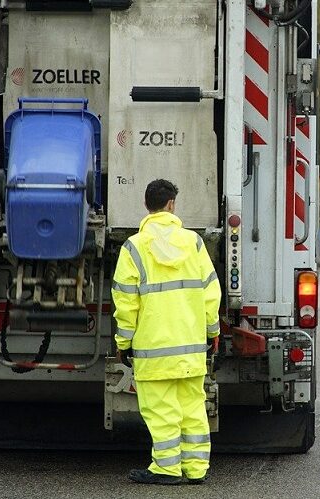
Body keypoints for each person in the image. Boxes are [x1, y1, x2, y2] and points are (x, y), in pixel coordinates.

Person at [111, 179, 222, 485]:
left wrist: (124, 342)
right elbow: (211, 292)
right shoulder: (194, 243)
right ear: (172, 204)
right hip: (190, 348)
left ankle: (166, 468)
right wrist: (212, 331)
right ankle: (196, 469)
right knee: (192, 407)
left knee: (161, 412)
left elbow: (125, 301)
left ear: (147, 206)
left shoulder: (134, 247)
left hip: (153, 351)